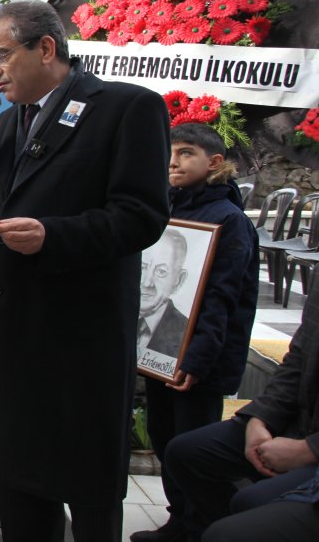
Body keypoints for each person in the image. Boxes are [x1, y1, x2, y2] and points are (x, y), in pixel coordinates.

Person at [0, 0, 170, 541]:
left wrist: (55, 236)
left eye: (2, 55)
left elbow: (142, 216)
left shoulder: (127, 108)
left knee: (89, 495)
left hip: (80, 340)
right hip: (13, 334)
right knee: (22, 493)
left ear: (45, 48)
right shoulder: (4, 124)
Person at [132, 123, 259, 542]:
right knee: (166, 438)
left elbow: (222, 297)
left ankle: (201, 524)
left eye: (187, 153)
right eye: (171, 153)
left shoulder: (229, 219)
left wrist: (197, 359)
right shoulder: (170, 206)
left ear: (215, 162)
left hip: (198, 362)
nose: (174, 162)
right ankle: (179, 519)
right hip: (163, 353)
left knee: (191, 443)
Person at [160, 280, 319, 541]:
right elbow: (298, 358)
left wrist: (307, 450)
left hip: (312, 449)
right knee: (185, 453)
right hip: (297, 420)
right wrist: (259, 419)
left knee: (247, 505)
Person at [137, 228, 191, 358]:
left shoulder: (185, 331)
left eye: (161, 272)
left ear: (178, 281)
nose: (147, 283)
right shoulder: (110, 312)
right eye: (143, 267)